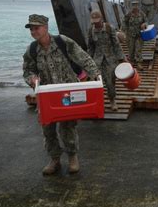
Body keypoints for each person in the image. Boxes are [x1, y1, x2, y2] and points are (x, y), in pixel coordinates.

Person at [22, 14, 100, 175]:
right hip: (46, 95)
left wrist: (96, 76)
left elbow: (83, 58)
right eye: (31, 29)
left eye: (36, 28)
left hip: (67, 92)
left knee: (68, 126)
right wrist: (32, 79)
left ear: (45, 27)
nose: (33, 31)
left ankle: (72, 157)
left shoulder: (62, 42)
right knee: (48, 129)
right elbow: (27, 70)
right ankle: (54, 160)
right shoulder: (31, 50)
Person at [86, 10, 126, 111]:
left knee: (110, 82)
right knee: (94, 82)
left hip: (110, 59)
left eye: (97, 21)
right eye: (94, 21)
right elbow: (90, 46)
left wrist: (122, 58)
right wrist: (88, 61)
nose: (96, 23)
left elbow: (116, 44)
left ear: (102, 19)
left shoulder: (109, 28)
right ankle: (95, 102)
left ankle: (112, 100)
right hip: (97, 60)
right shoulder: (91, 30)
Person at [122, 1, 147, 70]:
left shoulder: (142, 14)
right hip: (130, 34)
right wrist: (123, 31)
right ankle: (131, 61)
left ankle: (139, 63)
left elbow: (146, 21)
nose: (135, 7)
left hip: (139, 34)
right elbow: (124, 21)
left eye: (136, 5)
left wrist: (144, 24)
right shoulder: (129, 14)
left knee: (138, 49)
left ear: (138, 6)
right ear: (131, 6)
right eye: (133, 5)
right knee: (131, 49)